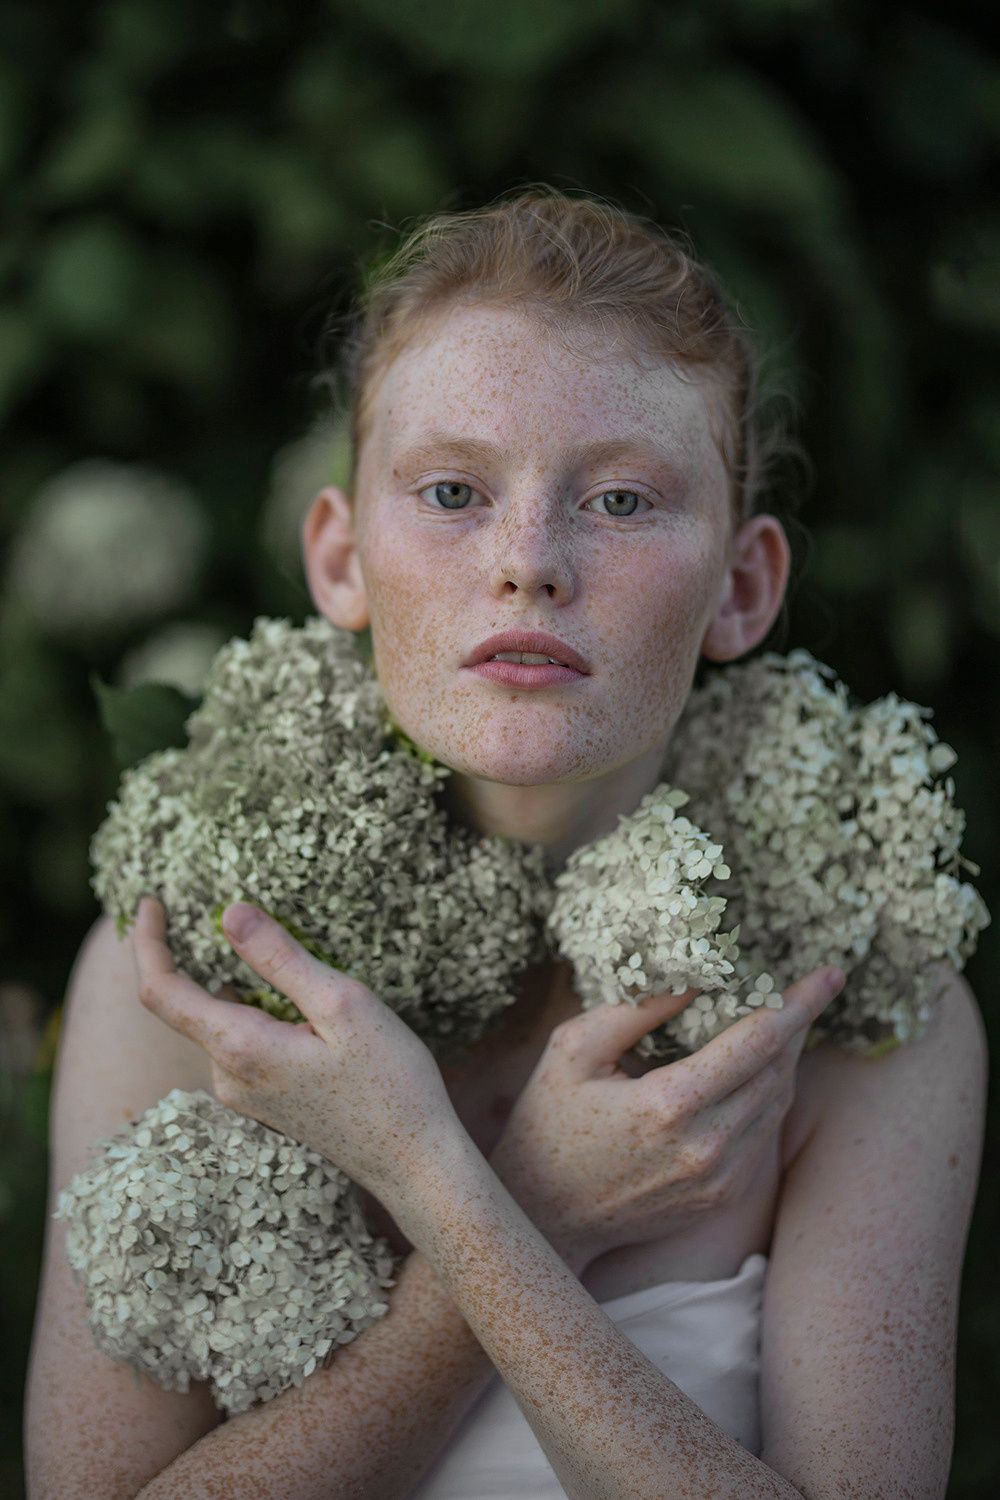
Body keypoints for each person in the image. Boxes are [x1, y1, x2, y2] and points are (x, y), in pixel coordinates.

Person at [25, 192, 986, 1499]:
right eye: (453, 491)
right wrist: (537, 1201)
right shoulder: (185, 969)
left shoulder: (868, 1006)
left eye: (624, 500)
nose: (529, 560)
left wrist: (450, 1192)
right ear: (341, 556)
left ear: (743, 588)